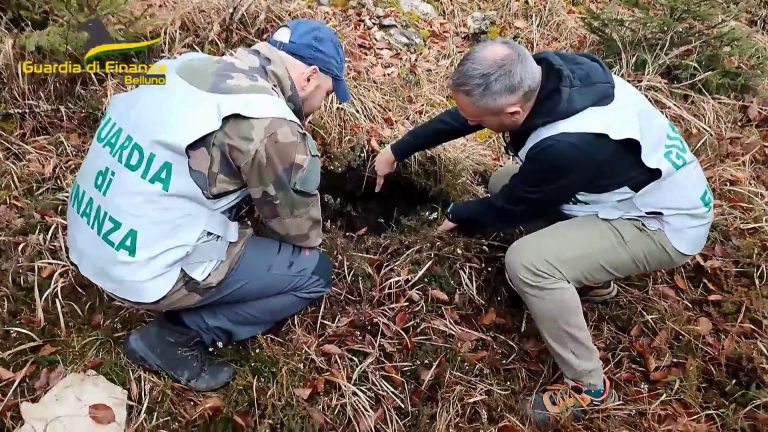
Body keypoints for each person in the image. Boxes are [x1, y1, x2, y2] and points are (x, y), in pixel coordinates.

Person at [373, 38, 714, 426]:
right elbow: (471, 119)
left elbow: (514, 208)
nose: (472, 124)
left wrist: (458, 214)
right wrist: (397, 150)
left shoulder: (570, 144)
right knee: (504, 179)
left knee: (529, 263)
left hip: (661, 222)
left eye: (480, 121)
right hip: (620, 191)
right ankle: (592, 281)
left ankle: (588, 386)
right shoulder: (544, 73)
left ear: (514, 109)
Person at [66, 19, 351, 391]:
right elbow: (301, 233)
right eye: (328, 93)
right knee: (314, 273)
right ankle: (176, 337)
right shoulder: (271, 125)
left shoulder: (185, 65)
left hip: (89, 232)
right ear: (310, 76)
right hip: (141, 268)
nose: (322, 104)